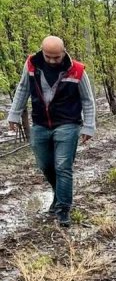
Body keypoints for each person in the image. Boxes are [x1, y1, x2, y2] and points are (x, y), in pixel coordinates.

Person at [7, 36, 96, 228]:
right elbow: (22, 89)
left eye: (57, 57)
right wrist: (14, 115)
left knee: (63, 165)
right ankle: (59, 195)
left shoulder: (77, 70)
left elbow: (87, 99)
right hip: (40, 124)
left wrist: (89, 125)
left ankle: (63, 209)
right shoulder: (31, 64)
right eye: (49, 57)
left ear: (64, 52)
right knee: (45, 165)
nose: (53, 61)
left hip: (68, 123)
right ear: (42, 52)